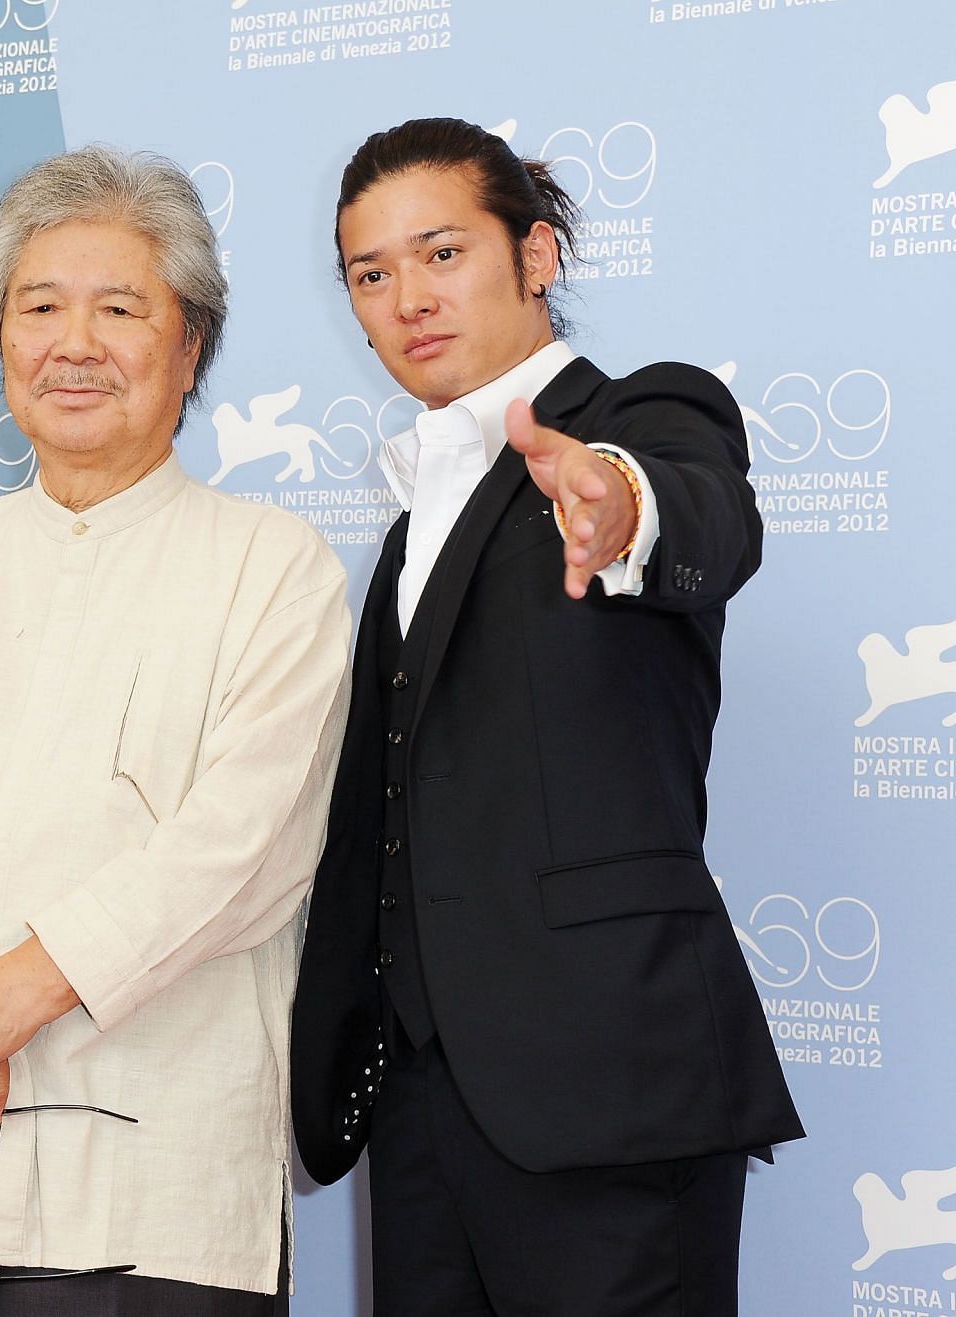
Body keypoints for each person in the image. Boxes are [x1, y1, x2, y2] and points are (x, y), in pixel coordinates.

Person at [0, 145, 351, 1312]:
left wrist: (16, 994)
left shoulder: (271, 565)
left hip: (157, 1194)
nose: (73, 344)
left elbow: (240, 847)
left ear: (189, 346)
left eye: (120, 309)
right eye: (39, 308)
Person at [289, 117, 804, 1315]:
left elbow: (704, 512)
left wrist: (620, 504)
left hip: (609, 1088)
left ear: (537, 256)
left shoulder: (641, 414)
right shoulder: (410, 522)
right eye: (371, 274)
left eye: (442, 253)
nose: (407, 297)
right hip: (421, 1102)